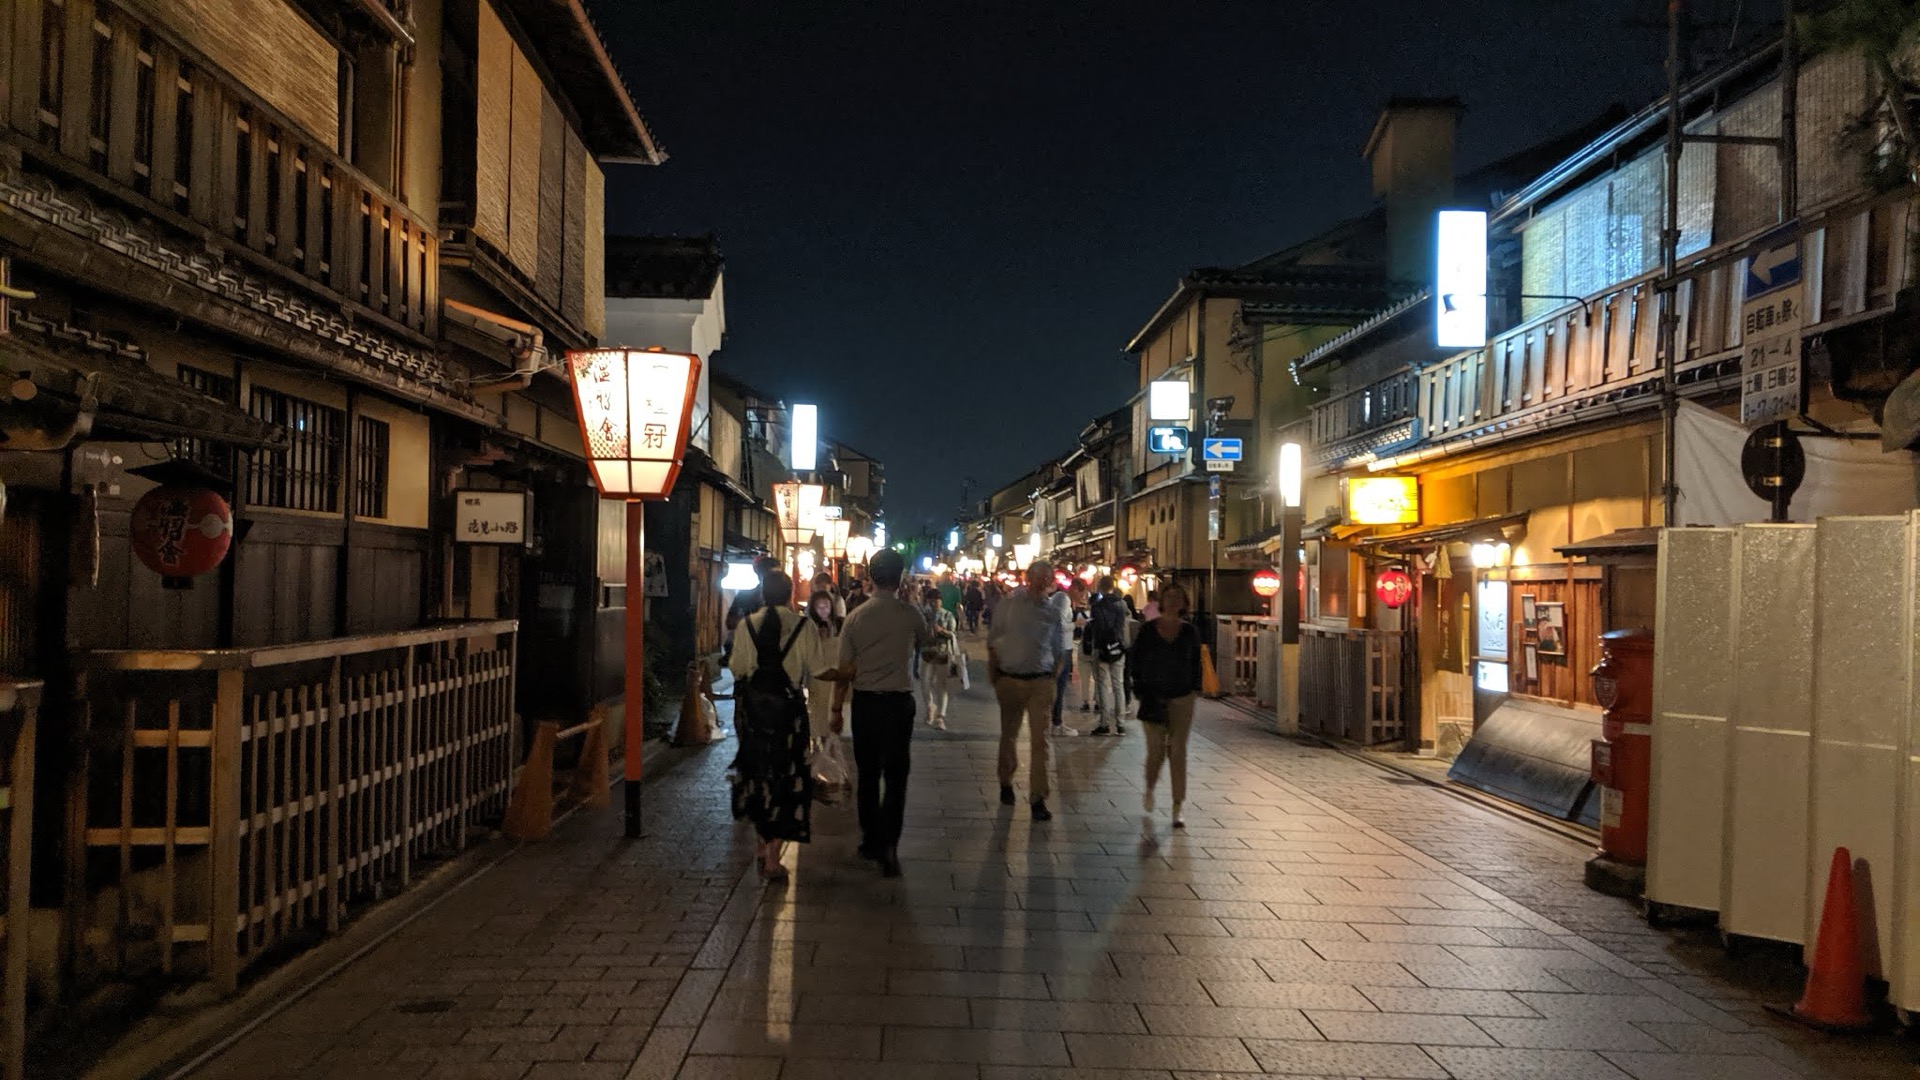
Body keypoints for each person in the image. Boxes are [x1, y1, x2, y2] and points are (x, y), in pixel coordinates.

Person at [822, 549, 932, 877]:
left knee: (868, 774)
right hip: (899, 704)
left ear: (870, 578)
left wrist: (836, 710)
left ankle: (871, 839)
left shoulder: (856, 618)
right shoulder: (911, 614)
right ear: (900, 578)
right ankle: (890, 846)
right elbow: (927, 648)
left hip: (867, 704)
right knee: (896, 776)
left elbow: (845, 670)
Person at [727, 571, 819, 881]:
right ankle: (773, 858)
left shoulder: (747, 625)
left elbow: (737, 668)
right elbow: (816, 668)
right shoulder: (804, 626)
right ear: (790, 594)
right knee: (786, 778)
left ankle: (761, 843)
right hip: (789, 715)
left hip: (756, 714)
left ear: (763, 594)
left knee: (758, 774)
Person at [987, 559, 1065, 821]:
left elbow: (1059, 649)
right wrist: (994, 672)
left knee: (1041, 741)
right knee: (1009, 734)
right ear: (1028, 578)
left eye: (1047, 577)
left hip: (1041, 681)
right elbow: (993, 638)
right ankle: (1005, 779)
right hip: (1010, 679)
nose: (1043, 582)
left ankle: (1038, 797)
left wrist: (1052, 677)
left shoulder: (1053, 612)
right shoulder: (1010, 604)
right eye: (1039, 577)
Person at [1130, 583, 1203, 834]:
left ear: (1184, 603)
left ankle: (1177, 805)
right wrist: (1139, 690)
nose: (1173, 601)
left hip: (1182, 698)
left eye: (1178, 598)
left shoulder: (1190, 632)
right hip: (1153, 698)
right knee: (1156, 751)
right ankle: (1150, 788)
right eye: (1169, 597)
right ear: (1161, 601)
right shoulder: (1148, 631)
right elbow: (1135, 661)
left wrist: (1194, 689)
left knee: (1178, 751)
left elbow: (1196, 662)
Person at [1085, 576, 1131, 736]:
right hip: (1118, 648)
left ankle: (1104, 723)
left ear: (1100, 587)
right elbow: (1123, 626)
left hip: (1102, 649)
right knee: (1118, 685)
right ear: (1113, 586)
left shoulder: (1097, 606)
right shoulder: (1122, 604)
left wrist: (1095, 646)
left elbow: (1095, 628)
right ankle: (1121, 724)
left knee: (1102, 685)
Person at [803, 589, 848, 744]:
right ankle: (820, 742)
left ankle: (832, 741)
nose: (823, 610)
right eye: (819, 607)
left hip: (835, 673)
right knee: (818, 711)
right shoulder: (809, 626)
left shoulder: (840, 624)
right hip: (818, 676)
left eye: (826, 606)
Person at [1047, 576, 1080, 737]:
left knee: (1058, 686)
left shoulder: (1059, 598)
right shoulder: (1063, 599)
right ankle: (1056, 723)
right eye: (1081, 593)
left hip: (1060, 647)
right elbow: (1058, 624)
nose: (1081, 597)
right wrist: (1076, 624)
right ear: (1074, 589)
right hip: (1063, 648)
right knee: (1059, 687)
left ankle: (1055, 721)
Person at [921, 595, 958, 729]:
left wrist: (942, 631)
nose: (934, 603)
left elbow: (953, 634)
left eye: (936, 600)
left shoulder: (948, 615)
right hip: (927, 653)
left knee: (941, 685)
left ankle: (940, 717)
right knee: (925, 683)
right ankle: (930, 706)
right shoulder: (924, 615)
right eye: (931, 600)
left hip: (942, 653)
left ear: (941, 601)